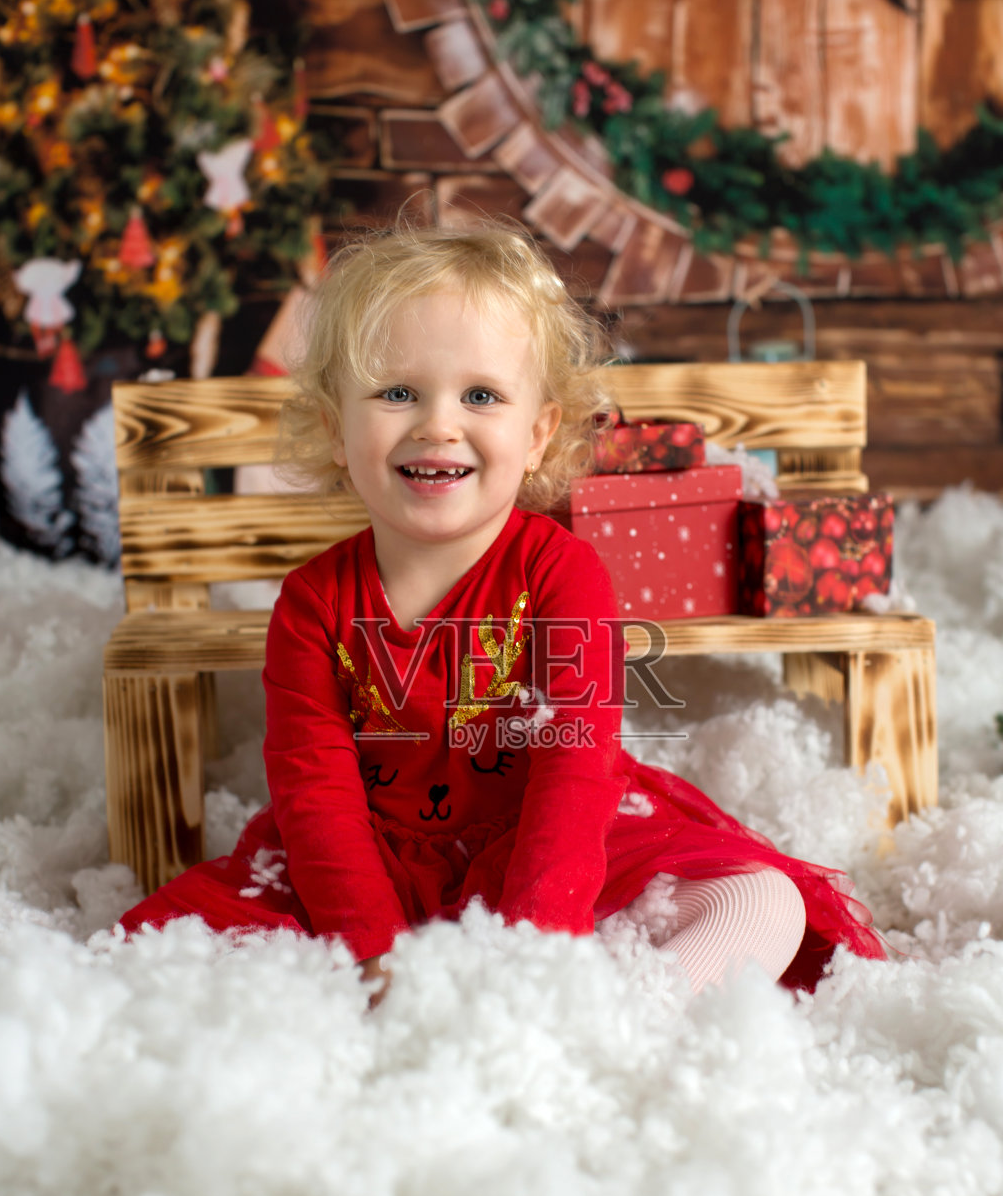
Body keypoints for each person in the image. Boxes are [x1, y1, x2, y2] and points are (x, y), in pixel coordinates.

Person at [119, 220, 884, 1001]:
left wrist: (536, 945)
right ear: (334, 429)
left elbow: (572, 769)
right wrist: (370, 952)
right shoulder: (313, 605)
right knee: (155, 952)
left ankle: (607, 1016)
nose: (437, 423)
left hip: (545, 842)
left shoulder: (562, 576)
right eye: (395, 393)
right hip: (369, 862)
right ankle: (387, 1012)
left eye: (480, 395)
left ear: (538, 431)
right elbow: (315, 795)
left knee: (759, 901)